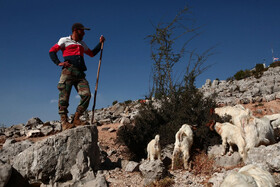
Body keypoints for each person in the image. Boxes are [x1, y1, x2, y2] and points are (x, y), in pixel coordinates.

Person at [49, 23, 105, 130]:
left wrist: (100, 43)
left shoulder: (81, 43)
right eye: (82, 31)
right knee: (64, 97)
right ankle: (64, 122)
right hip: (68, 72)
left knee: (86, 95)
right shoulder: (64, 40)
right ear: (75, 30)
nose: (84, 33)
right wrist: (58, 62)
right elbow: (52, 51)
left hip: (80, 74)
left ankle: (76, 118)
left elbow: (92, 53)